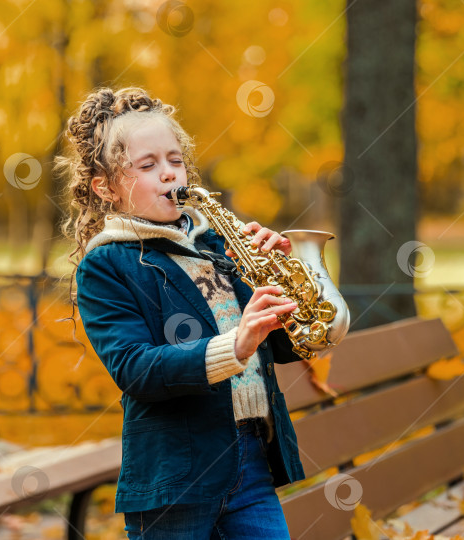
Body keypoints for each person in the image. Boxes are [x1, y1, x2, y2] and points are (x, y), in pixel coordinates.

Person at [56, 86, 307, 539]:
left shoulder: (216, 245)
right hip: (175, 477)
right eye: (148, 166)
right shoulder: (106, 265)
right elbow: (136, 369)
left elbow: (283, 347)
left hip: (252, 461)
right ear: (106, 187)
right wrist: (236, 343)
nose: (170, 175)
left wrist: (288, 281)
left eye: (175, 160)